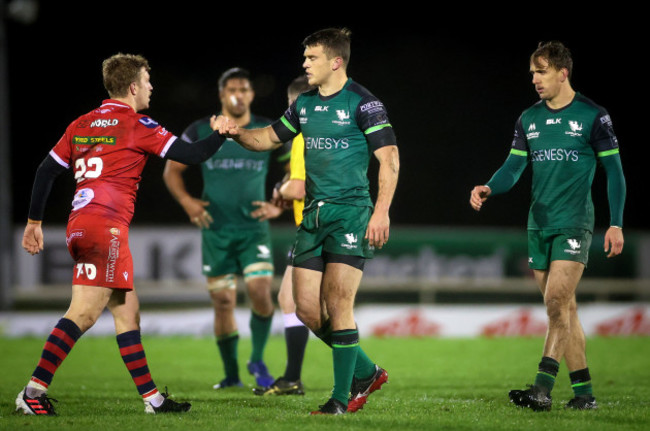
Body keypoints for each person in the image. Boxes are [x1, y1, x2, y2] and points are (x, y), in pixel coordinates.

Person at [16, 53, 228, 415]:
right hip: (106, 227)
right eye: (147, 81)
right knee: (83, 313)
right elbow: (192, 155)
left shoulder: (81, 123)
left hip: (80, 223)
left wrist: (34, 222)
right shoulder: (137, 124)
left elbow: (44, 172)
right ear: (132, 87)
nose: (151, 87)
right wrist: (221, 133)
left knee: (127, 313)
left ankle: (153, 400)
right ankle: (32, 393)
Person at [216, 28, 400, 415]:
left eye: (312, 58)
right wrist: (236, 134)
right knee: (305, 310)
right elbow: (268, 137)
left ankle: (340, 398)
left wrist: (381, 211)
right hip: (314, 217)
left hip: (351, 213)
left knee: (337, 302)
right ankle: (366, 371)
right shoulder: (304, 104)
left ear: (336, 62)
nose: (304, 64)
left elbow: (389, 160)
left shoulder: (364, 104)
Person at [470, 41, 626, 411]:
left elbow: (615, 172)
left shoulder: (592, 115)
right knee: (564, 311)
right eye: (532, 73)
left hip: (574, 223)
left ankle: (541, 389)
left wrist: (616, 223)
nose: (535, 79)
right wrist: (490, 186)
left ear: (562, 72)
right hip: (538, 225)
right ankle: (584, 394)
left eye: (541, 72)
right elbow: (513, 166)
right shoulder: (529, 119)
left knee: (556, 302)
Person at [163, 67, 289, 390]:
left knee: (261, 293)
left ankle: (257, 358)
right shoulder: (201, 129)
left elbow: (295, 168)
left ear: (251, 94)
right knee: (223, 302)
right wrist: (188, 203)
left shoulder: (266, 129)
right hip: (216, 229)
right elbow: (171, 171)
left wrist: (279, 204)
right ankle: (231, 374)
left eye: (244, 89)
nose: (238, 94)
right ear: (221, 94)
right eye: (231, 89)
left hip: (253, 229)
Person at [251, 75, 315, 396]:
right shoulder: (320, 133)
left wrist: (280, 189)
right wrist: (283, 203)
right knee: (293, 302)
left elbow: (299, 185)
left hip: (318, 229)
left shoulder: (303, 136)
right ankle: (292, 378)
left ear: (294, 105)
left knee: (313, 309)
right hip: (317, 226)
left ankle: (363, 369)